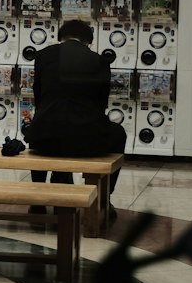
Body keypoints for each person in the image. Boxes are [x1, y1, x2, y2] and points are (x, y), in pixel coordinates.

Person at [25, 17, 127, 209]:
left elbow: (39, 97)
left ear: (60, 37)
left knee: (40, 121)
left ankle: (37, 198)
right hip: (87, 141)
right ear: (88, 41)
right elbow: (101, 105)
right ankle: (104, 197)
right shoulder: (99, 61)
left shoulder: (43, 56)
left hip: (46, 140)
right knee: (118, 133)